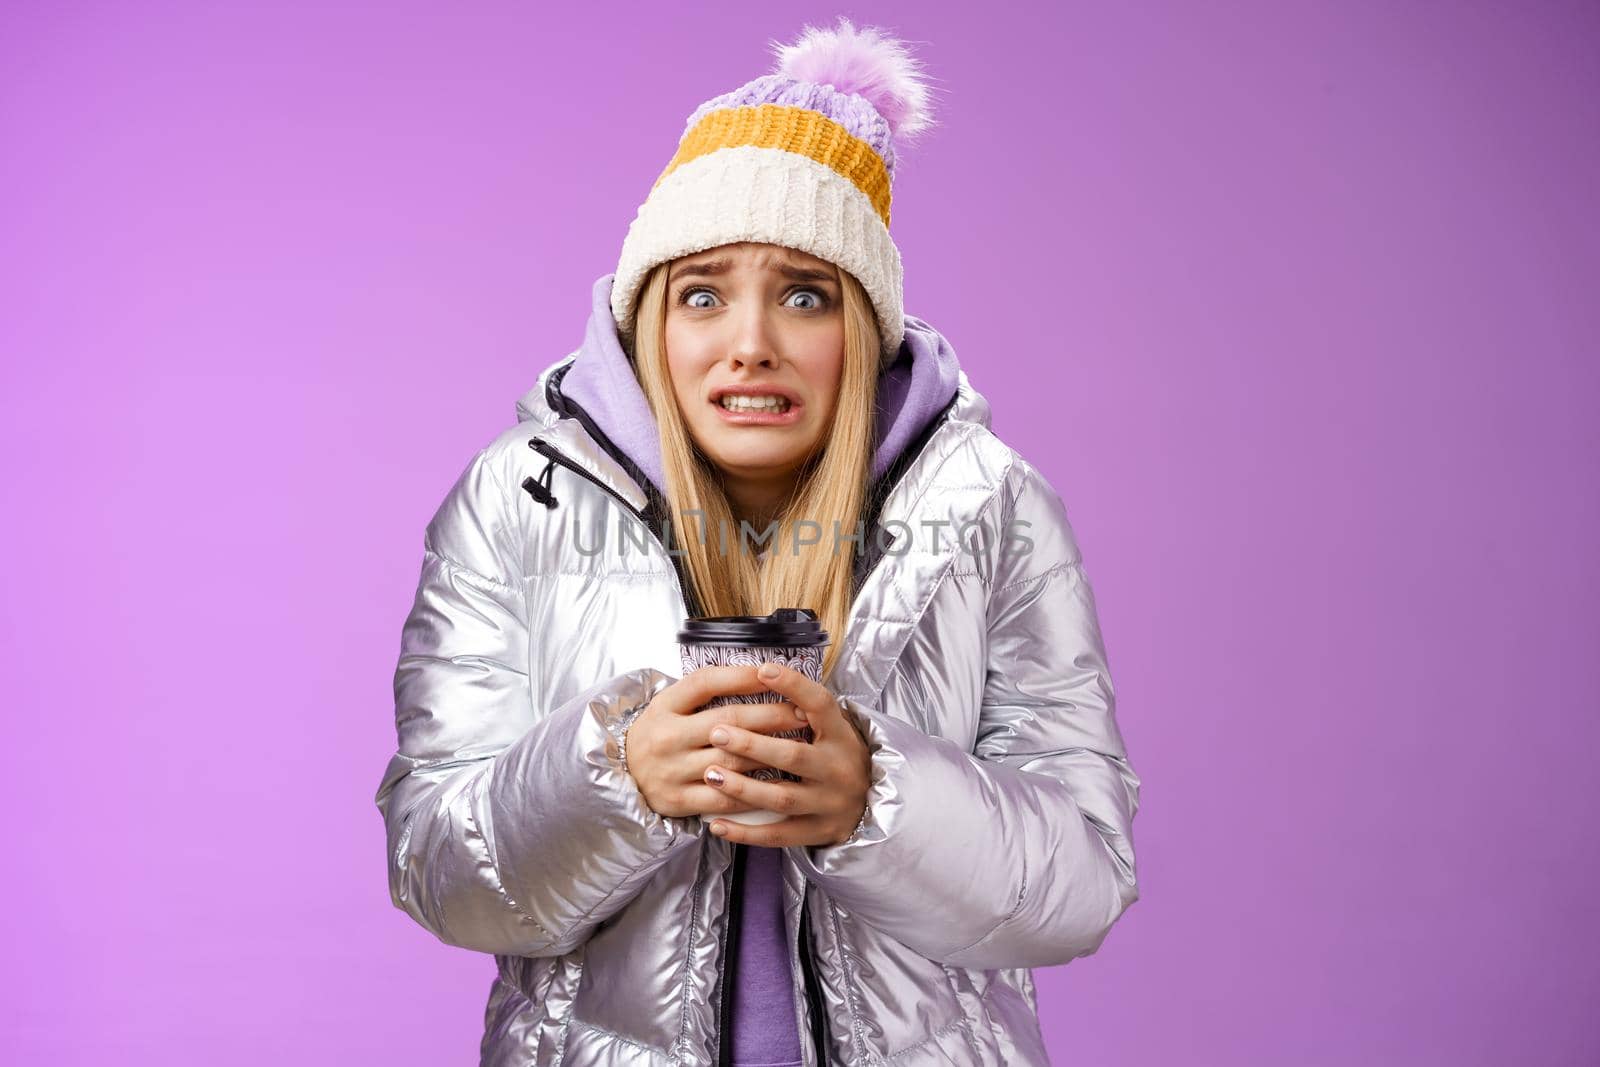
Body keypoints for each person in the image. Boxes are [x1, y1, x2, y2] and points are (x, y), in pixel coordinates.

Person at [374, 17, 1141, 1067]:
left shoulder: (991, 508)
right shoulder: (520, 500)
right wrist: (613, 774)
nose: (750, 344)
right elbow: (436, 867)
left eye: (804, 294)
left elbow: (1083, 878)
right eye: (702, 294)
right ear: (651, 324)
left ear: (862, 327)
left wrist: (878, 796)